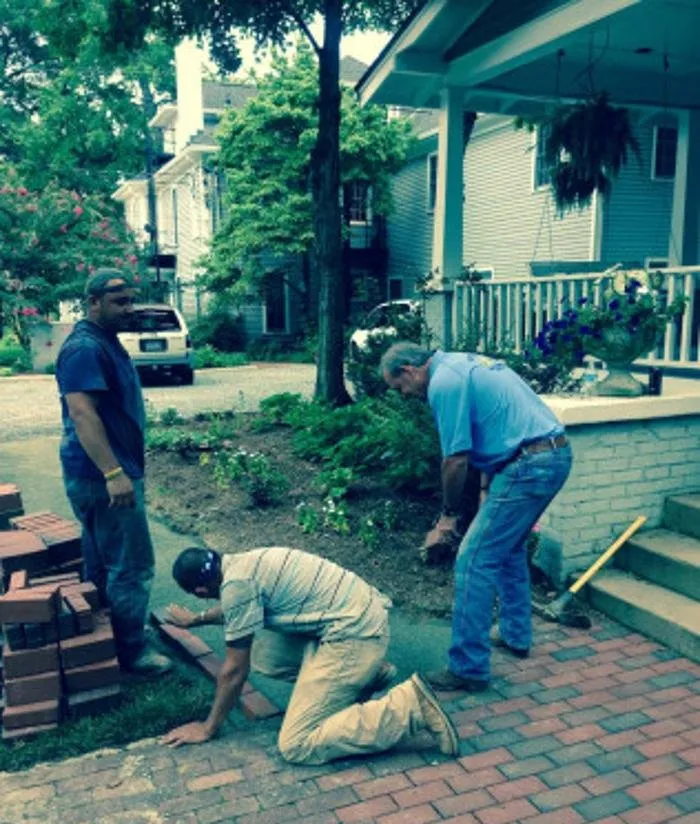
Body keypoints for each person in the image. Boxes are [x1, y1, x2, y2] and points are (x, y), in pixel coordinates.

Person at [381, 342, 572, 693]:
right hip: (550, 455)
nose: (405, 395)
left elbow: (456, 460)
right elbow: (496, 428)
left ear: (409, 370)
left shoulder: (444, 383)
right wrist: (485, 492)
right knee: (508, 548)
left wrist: (448, 519)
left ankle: (468, 668)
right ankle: (515, 635)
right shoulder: (460, 364)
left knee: (473, 561)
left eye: (400, 387)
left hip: (529, 464)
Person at [161, 545, 460, 764]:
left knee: (297, 743)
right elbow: (236, 610)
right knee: (267, 653)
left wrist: (208, 727)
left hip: (355, 635)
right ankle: (367, 674)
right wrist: (196, 620)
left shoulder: (238, 587)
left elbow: (234, 670)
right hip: (356, 618)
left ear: (200, 590)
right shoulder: (241, 563)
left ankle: (410, 707)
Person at [55, 268, 172, 675]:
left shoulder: (103, 342)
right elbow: (82, 414)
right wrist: (113, 473)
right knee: (132, 564)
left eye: (130, 300)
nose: (129, 308)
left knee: (103, 561)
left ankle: (105, 641)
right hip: (101, 476)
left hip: (99, 474)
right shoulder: (85, 348)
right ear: (93, 302)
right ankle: (131, 651)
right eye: (119, 301)